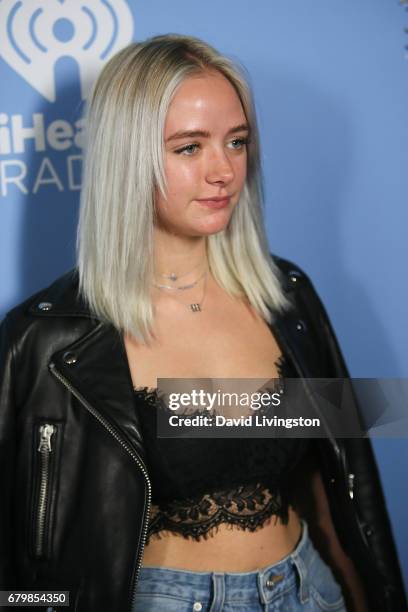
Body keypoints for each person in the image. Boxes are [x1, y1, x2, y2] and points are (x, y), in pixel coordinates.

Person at [0, 34, 406, 612]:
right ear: (128, 155)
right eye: (189, 148)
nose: (224, 171)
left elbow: (341, 481)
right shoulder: (45, 341)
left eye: (236, 141)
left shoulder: (286, 295)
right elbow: (20, 565)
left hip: (309, 588)